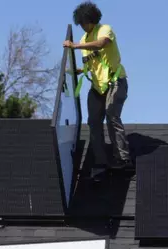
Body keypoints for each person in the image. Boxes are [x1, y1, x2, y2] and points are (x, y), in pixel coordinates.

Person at [63, 1, 133, 173]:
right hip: (97, 87)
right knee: (93, 122)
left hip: (116, 81)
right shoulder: (83, 40)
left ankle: (124, 159)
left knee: (112, 115)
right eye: (80, 24)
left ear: (91, 19)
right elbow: (91, 65)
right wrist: (77, 70)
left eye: (84, 23)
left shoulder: (105, 30)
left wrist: (75, 46)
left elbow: (101, 44)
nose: (82, 26)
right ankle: (101, 161)